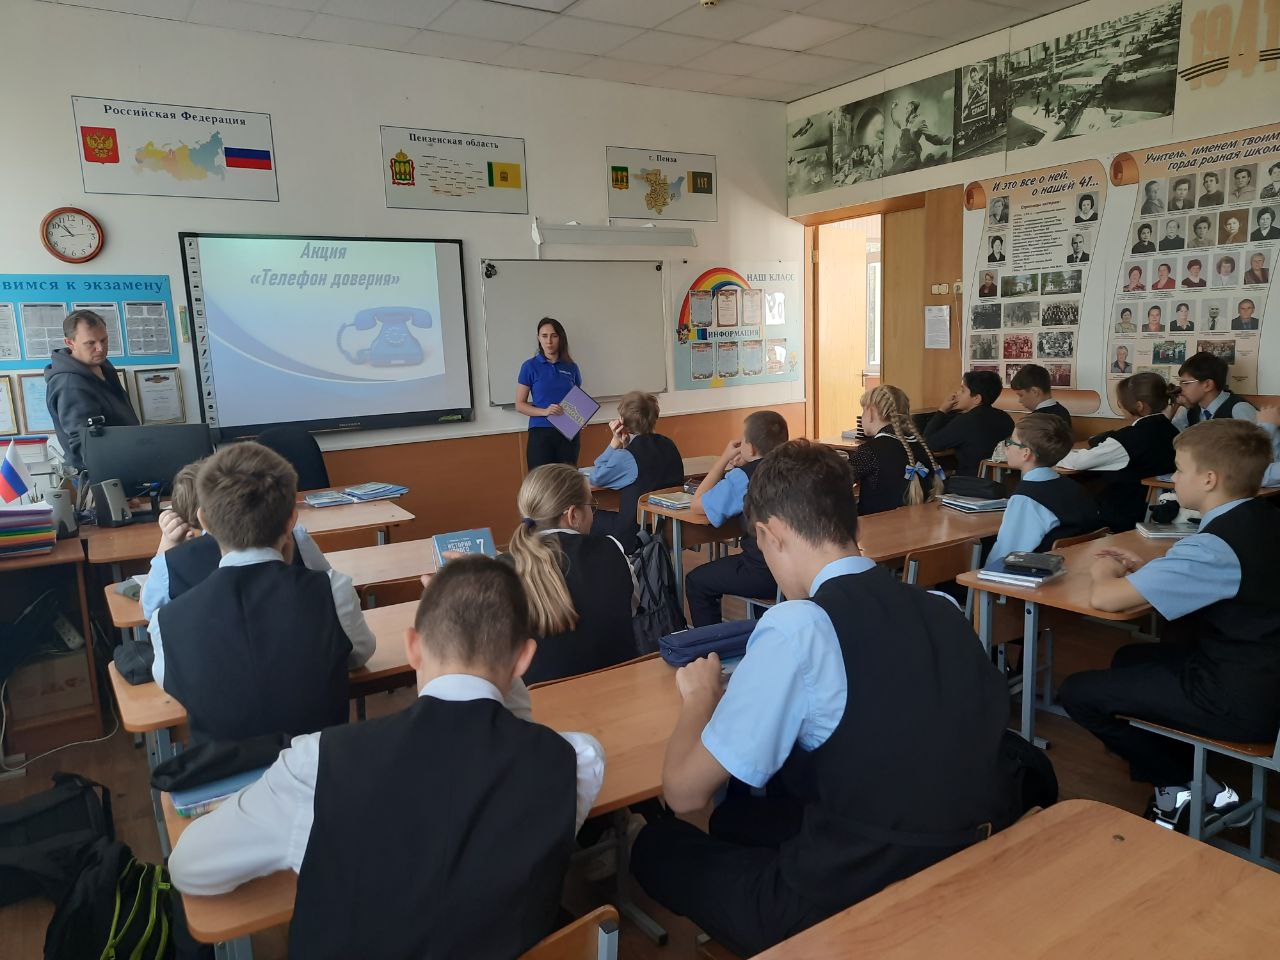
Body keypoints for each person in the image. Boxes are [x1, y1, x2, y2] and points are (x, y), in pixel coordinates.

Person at [630, 440, 1025, 957]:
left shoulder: (798, 626)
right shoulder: (940, 607)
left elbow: (684, 794)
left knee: (658, 845)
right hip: (966, 845)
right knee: (738, 818)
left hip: (853, 891)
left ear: (770, 534)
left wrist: (699, 699)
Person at [167, 556, 605, 959]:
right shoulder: (576, 762)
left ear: (412, 646)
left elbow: (190, 868)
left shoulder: (317, 765)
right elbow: (513, 731)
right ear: (525, 659)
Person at [1058, 421, 1280, 832]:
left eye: (1178, 469)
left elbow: (1105, 599)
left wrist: (1103, 570)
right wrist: (1155, 568)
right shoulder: (1263, 518)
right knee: (1130, 657)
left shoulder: (1213, 546)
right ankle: (1189, 783)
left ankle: (1180, 786)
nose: (1172, 478)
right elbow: (1227, 575)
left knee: (1077, 692)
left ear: (1209, 479)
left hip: (1239, 700)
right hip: (1260, 673)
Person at [147, 442, 375, 743]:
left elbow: (173, 684)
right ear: (292, 519)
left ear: (204, 521)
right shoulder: (332, 591)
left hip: (223, 770)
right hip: (319, 765)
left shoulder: (166, 620)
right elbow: (358, 655)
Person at [138, 459, 371, 666]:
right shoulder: (300, 543)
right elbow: (328, 588)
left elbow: (149, 609)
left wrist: (166, 544)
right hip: (296, 651)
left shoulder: (170, 564)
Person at [503, 464, 636, 685]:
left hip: (539, 697)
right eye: (591, 506)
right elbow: (630, 605)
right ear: (573, 515)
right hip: (619, 684)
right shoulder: (612, 549)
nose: (593, 514)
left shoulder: (502, 571)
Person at [686, 411, 789, 626]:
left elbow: (697, 504)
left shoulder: (743, 476)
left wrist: (724, 458)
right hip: (795, 570)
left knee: (696, 581)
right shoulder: (795, 467)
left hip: (763, 572)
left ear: (750, 448)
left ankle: (713, 643)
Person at [1058, 372, 1177, 531]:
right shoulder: (1173, 430)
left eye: (1120, 403)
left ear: (1139, 406)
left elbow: (1077, 462)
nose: (1120, 405)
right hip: (1158, 510)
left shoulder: (1130, 438)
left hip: (1123, 514)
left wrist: (1050, 454)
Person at [987, 414, 1100, 564]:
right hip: (1076, 567)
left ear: (1025, 453)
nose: (1006, 446)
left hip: (1035, 572)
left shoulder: (1027, 498)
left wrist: (978, 575)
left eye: (1011, 441)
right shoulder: (1075, 487)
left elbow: (1006, 553)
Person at [43, 308, 139, 471]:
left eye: (104, 340)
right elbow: (83, 444)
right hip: (104, 474)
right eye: (90, 343)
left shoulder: (102, 365)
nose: (100, 348)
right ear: (70, 343)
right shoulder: (69, 383)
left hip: (128, 462)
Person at [588, 390, 683, 554]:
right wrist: (626, 446)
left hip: (634, 534)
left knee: (590, 516)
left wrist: (614, 443)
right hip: (668, 529)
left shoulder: (627, 456)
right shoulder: (669, 444)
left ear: (622, 421)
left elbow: (596, 477)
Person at [846, 385, 943, 515]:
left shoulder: (870, 451)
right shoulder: (922, 447)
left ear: (871, 413)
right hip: (919, 524)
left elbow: (835, 482)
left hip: (877, 525)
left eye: (863, 411)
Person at [516, 317, 582, 471]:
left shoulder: (571, 367)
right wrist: (545, 411)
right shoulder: (529, 366)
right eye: (544, 336)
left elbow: (577, 401)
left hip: (568, 432)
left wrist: (580, 418)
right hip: (540, 432)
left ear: (560, 338)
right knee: (541, 480)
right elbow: (519, 405)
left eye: (554, 336)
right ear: (539, 338)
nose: (549, 341)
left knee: (567, 480)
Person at [923, 370, 1014, 477]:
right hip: (999, 480)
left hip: (970, 481)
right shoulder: (1005, 417)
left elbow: (929, 444)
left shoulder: (966, 421)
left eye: (963, 390)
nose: (957, 393)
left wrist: (942, 409)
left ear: (976, 398)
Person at [1170, 351, 1257, 430]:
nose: (1180, 388)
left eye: (1185, 383)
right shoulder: (1192, 409)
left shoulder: (1238, 408)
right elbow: (1169, 436)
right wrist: (1173, 408)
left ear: (1207, 385)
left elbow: (1259, 440)